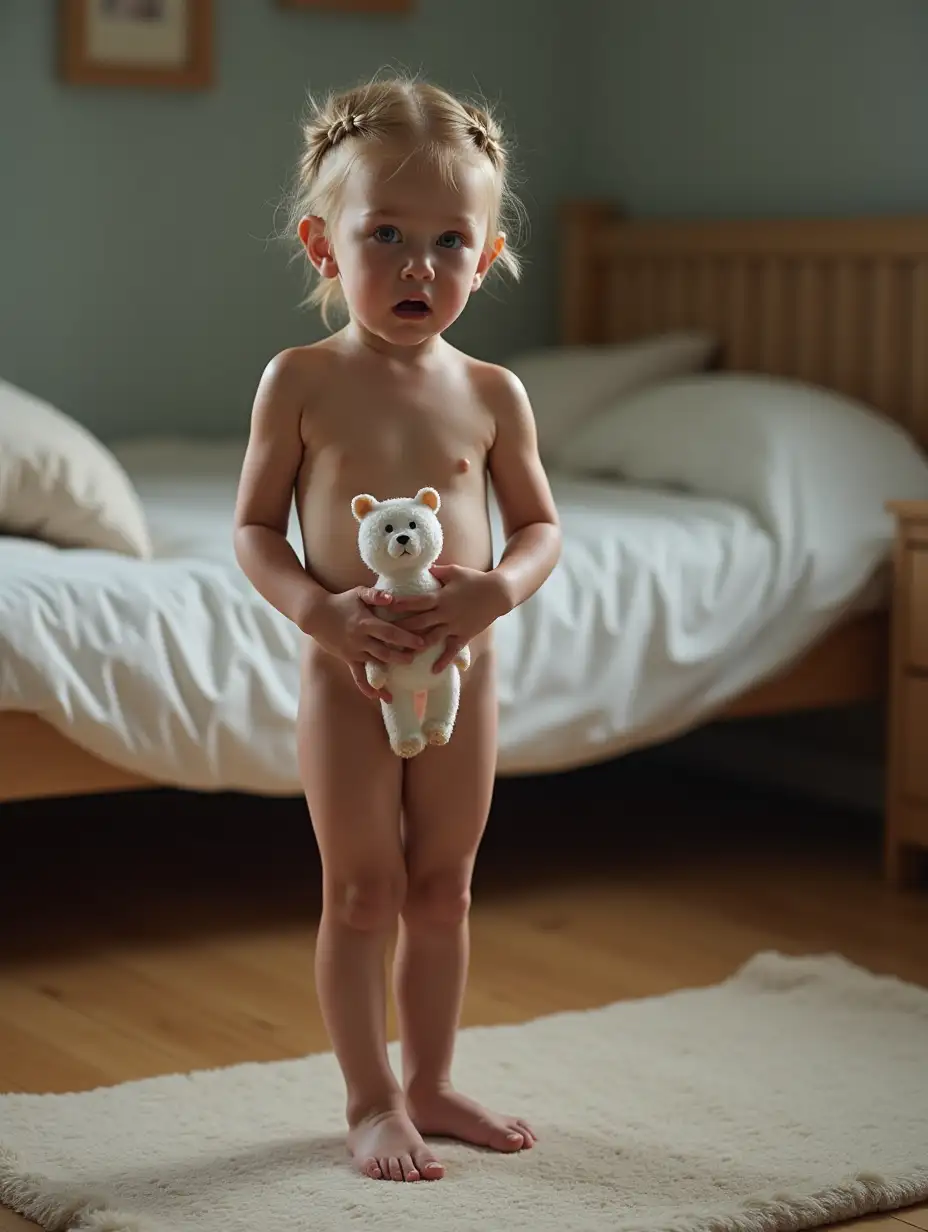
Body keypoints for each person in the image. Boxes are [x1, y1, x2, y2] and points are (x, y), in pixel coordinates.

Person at [233, 73, 561, 1184]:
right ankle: (370, 1098)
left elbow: (540, 528)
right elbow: (252, 530)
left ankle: (430, 1078)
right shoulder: (303, 380)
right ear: (323, 244)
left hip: (462, 675)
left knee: (445, 884)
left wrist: (495, 590)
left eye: (448, 242)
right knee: (363, 888)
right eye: (387, 234)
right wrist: (320, 612)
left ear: (488, 254)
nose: (419, 266)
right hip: (349, 680)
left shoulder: (492, 393)